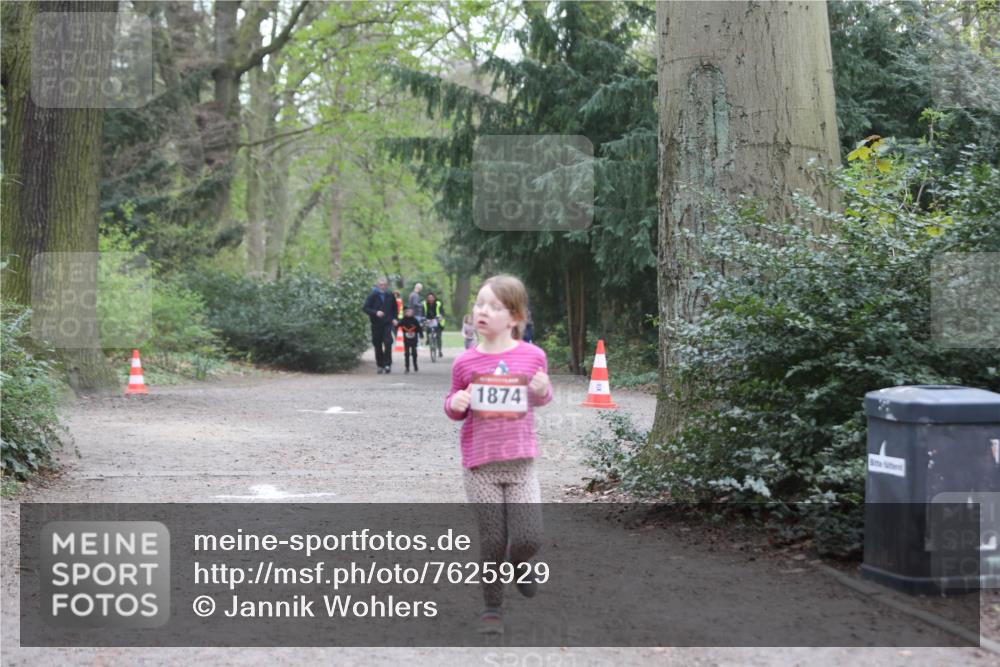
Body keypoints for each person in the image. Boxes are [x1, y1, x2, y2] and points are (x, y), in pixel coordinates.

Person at [444, 274, 552, 635]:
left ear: (516, 317)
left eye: (494, 306)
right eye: (479, 304)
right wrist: (456, 403)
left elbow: (541, 398)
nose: (483, 311)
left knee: (529, 537)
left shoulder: (533, 357)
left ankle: (520, 562)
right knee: (491, 540)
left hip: (521, 464)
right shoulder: (465, 364)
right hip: (481, 467)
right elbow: (454, 405)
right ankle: (493, 608)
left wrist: (542, 388)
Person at [362, 276, 398, 374]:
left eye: (384, 285)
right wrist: (376, 312)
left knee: (388, 342)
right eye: (381, 285)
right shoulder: (373, 295)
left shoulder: (390, 295)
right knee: (377, 344)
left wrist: (394, 318)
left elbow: (395, 308)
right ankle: (380, 365)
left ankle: (387, 364)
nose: (383, 286)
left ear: (386, 285)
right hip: (376, 323)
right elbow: (365, 308)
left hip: (387, 322)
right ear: (378, 285)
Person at [397, 306, 423, 373]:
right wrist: (395, 325)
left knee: (414, 353)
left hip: (414, 339)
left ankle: (415, 365)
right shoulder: (403, 320)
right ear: (405, 313)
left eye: (410, 312)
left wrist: (421, 335)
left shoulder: (414, 320)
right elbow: (398, 325)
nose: (409, 313)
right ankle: (407, 367)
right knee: (407, 353)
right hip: (406, 339)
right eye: (407, 312)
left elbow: (419, 328)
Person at [424, 292, 445, 358]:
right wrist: (423, 318)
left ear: (434, 298)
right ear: (427, 298)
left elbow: (442, 311)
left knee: (438, 336)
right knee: (428, 329)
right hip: (429, 320)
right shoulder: (424, 304)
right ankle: (428, 339)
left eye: (432, 297)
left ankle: (439, 351)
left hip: (437, 321)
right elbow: (422, 312)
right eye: (429, 298)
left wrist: (441, 316)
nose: (430, 299)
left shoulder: (438, 303)